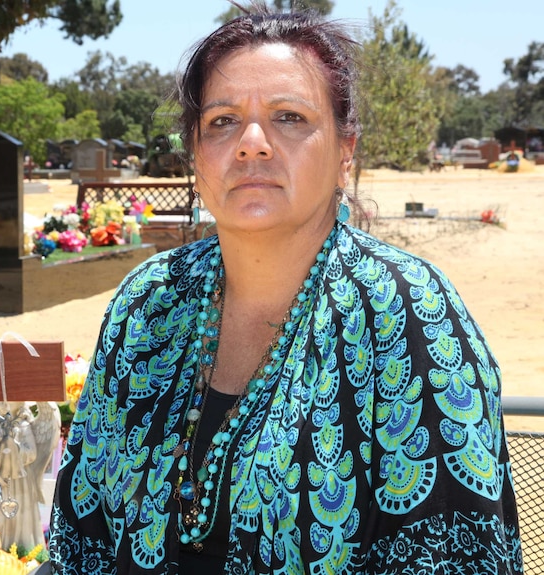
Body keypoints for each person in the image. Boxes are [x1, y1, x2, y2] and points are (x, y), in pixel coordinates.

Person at [47, 3, 523, 574]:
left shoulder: (412, 316)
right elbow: (81, 542)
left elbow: (454, 555)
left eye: (290, 117)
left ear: (345, 151)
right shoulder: (147, 304)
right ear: (196, 157)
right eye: (222, 121)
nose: (252, 143)